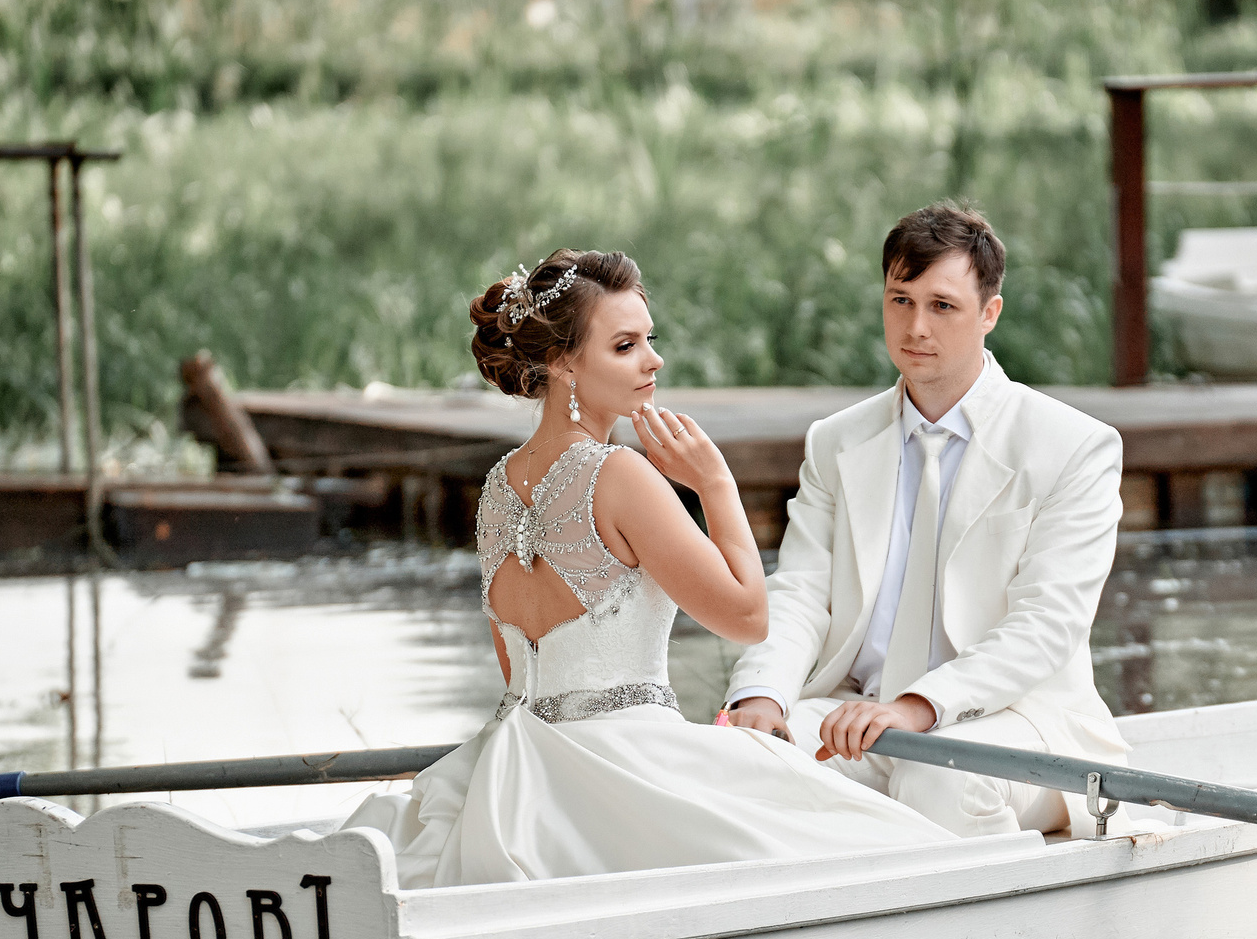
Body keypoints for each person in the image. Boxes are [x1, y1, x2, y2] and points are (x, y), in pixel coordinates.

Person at [343, 249, 952, 888]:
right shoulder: (619, 474)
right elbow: (747, 617)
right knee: (860, 841)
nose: (653, 360)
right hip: (628, 760)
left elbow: (515, 668)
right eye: (626, 346)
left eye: (648, 340)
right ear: (562, 362)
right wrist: (715, 483)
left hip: (511, 767)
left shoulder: (498, 488)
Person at [723, 203, 1129, 835]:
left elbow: (1046, 625)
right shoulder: (836, 441)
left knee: (938, 773)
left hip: (1019, 721)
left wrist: (919, 707)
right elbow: (801, 593)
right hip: (858, 713)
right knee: (738, 760)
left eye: (942, 305)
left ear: (989, 313)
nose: (915, 327)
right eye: (900, 300)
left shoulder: (1073, 446)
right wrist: (762, 696)